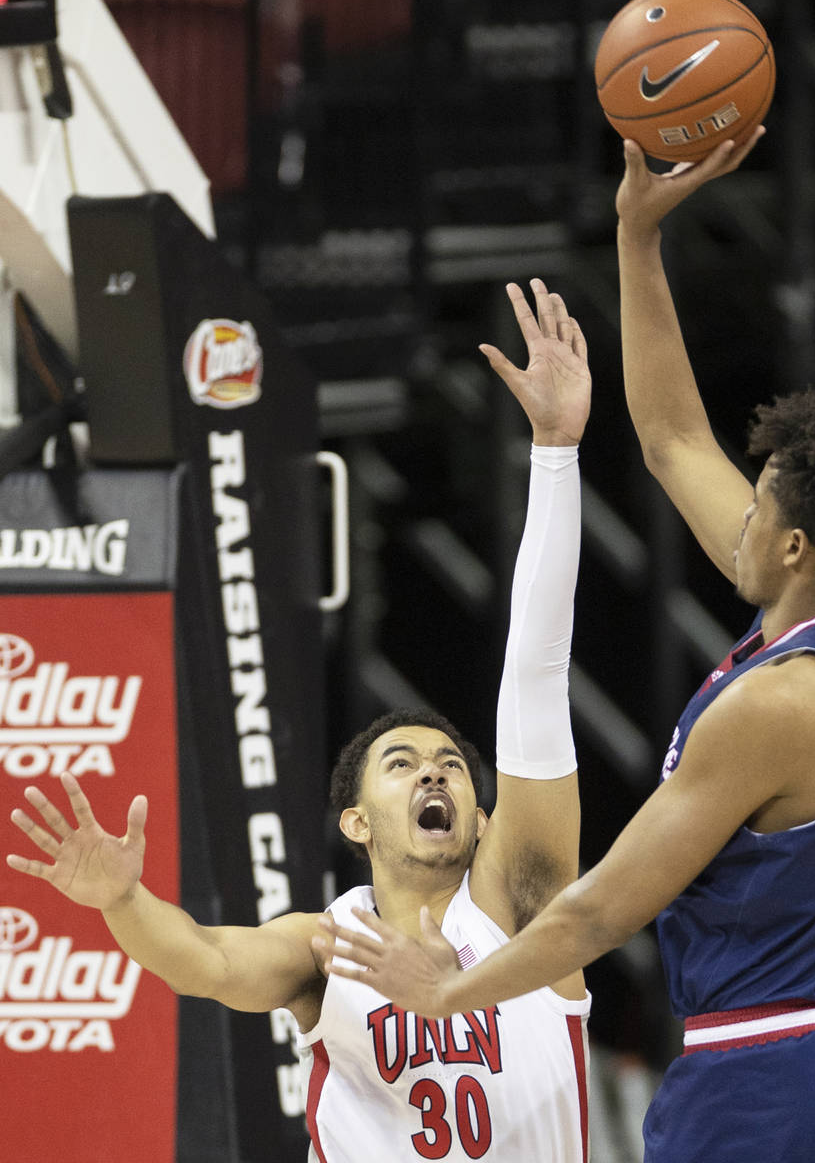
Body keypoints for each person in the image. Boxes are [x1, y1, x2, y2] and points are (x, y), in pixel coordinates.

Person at [313, 130, 815, 1163]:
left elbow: (601, 907)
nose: (740, 507)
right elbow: (671, 439)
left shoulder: (776, 709)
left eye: (764, 498)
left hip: (768, 1078)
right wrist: (636, 235)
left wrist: (451, 992)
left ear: (792, 545)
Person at [6, 280, 593, 1162]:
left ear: (481, 812)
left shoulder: (523, 911)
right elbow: (203, 959)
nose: (435, 771)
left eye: (448, 763)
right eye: (401, 763)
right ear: (355, 820)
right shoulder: (326, 947)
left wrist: (555, 452)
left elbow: (537, 675)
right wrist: (124, 900)